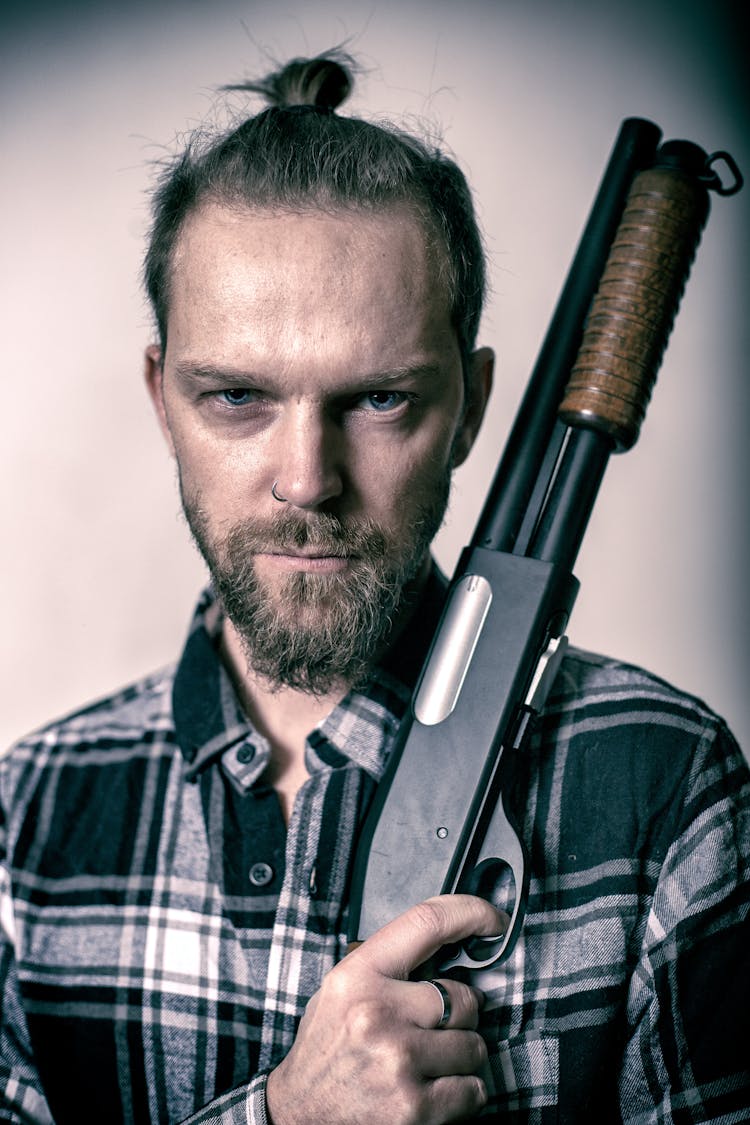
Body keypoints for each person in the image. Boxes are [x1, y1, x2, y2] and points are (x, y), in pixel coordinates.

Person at [1, 51, 748, 1125]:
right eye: (237, 397)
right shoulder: (22, 830)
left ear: (475, 405)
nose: (307, 479)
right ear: (163, 399)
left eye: (381, 400)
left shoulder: (668, 789)